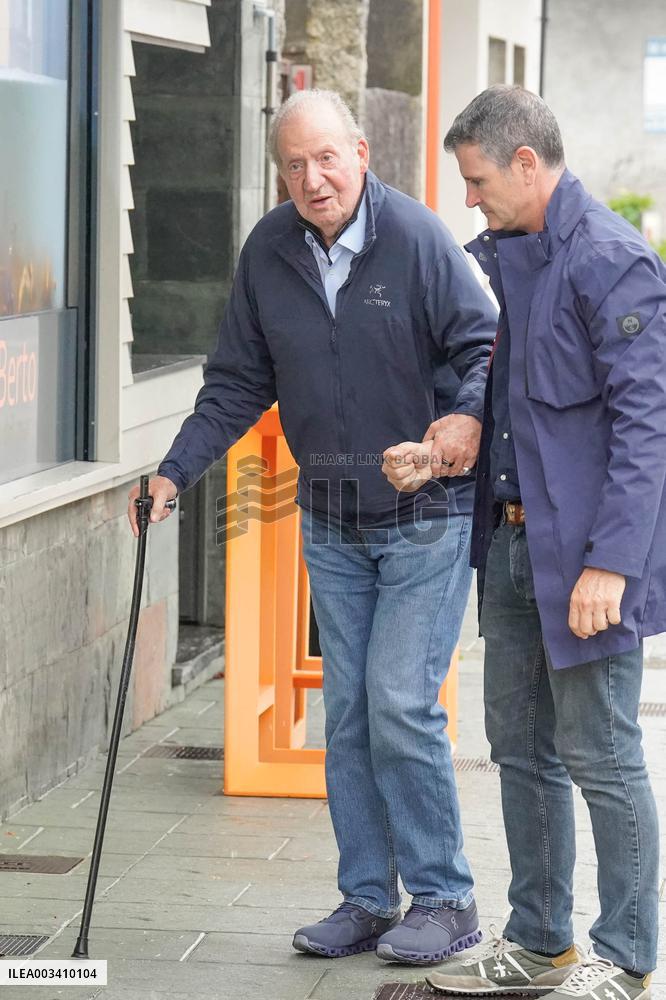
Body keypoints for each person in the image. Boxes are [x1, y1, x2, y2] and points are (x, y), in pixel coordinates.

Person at [127, 89, 497, 964]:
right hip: (331, 519)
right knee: (350, 713)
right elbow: (235, 381)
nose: (313, 178)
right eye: (294, 165)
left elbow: (484, 349)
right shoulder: (269, 251)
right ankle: (367, 898)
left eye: (327, 157)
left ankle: (446, 900)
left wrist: (460, 424)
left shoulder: (417, 240)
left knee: (399, 702)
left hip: (426, 515)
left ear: (361, 153)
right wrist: (174, 470)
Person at [383, 85, 662, 999]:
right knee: (522, 748)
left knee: (602, 754)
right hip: (509, 545)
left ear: (528, 164)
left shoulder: (611, 261)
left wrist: (612, 564)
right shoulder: (519, 255)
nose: (469, 198)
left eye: (477, 180)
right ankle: (541, 943)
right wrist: (462, 424)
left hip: (585, 562)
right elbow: (507, 377)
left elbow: (648, 428)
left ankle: (625, 958)